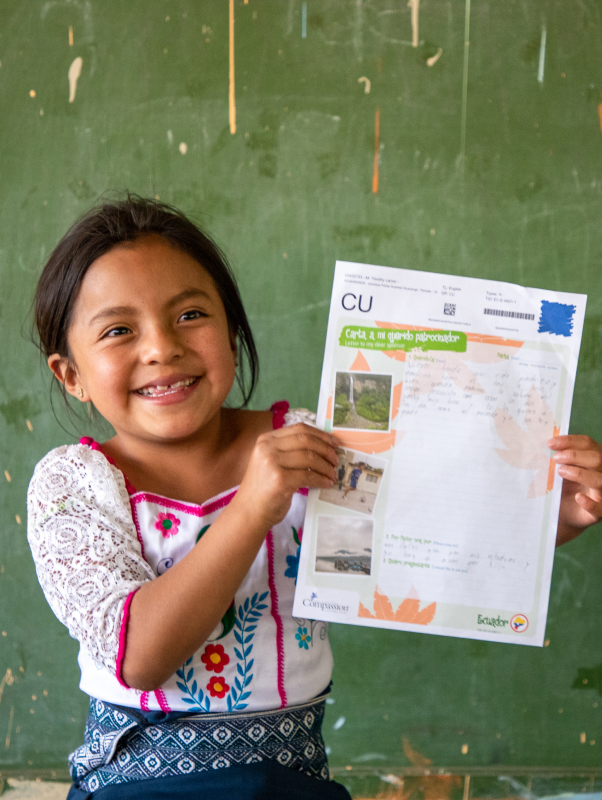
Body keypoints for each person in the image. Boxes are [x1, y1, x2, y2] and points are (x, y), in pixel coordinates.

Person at [27, 197, 602, 799]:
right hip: (137, 788)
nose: (161, 348)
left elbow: (410, 552)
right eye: (119, 330)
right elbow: (140, 657)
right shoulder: (74, 486)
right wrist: (254, 506)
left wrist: (544, 519)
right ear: (72, 375)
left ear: (230, 328)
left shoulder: (306, 444)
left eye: (191, 314)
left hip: (292, 783)